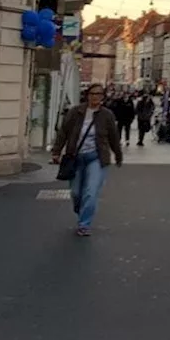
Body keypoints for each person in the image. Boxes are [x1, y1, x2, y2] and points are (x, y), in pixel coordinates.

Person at [49, 84, 123, 236]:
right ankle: (81, 210)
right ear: (87, 95)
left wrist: (118, 154)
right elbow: (63, 132)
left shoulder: (107, 115)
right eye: (92, 93)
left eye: (99, 94)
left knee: (90, 192)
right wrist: (56, 151)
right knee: (76, 193)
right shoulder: (75, 112)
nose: (95, 97)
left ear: (103, 97)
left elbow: (113, 137)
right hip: (75, 157)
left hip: (96, 158)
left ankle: (84, 224)